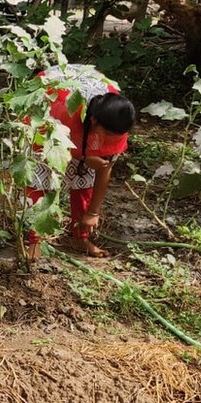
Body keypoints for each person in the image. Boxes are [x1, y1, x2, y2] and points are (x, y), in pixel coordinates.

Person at [26, 64, 136, 260]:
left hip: (82, 128)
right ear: (93, 121)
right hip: (48, 119)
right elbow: (45, 145)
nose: (112, 139)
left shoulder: (117, 120)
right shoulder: (62, 111)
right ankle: (35, 240)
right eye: (108, 134)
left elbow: (104, 169)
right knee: (39, 178)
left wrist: (93, 212)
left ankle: (80, 238)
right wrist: (83, 156)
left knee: (85, 177)